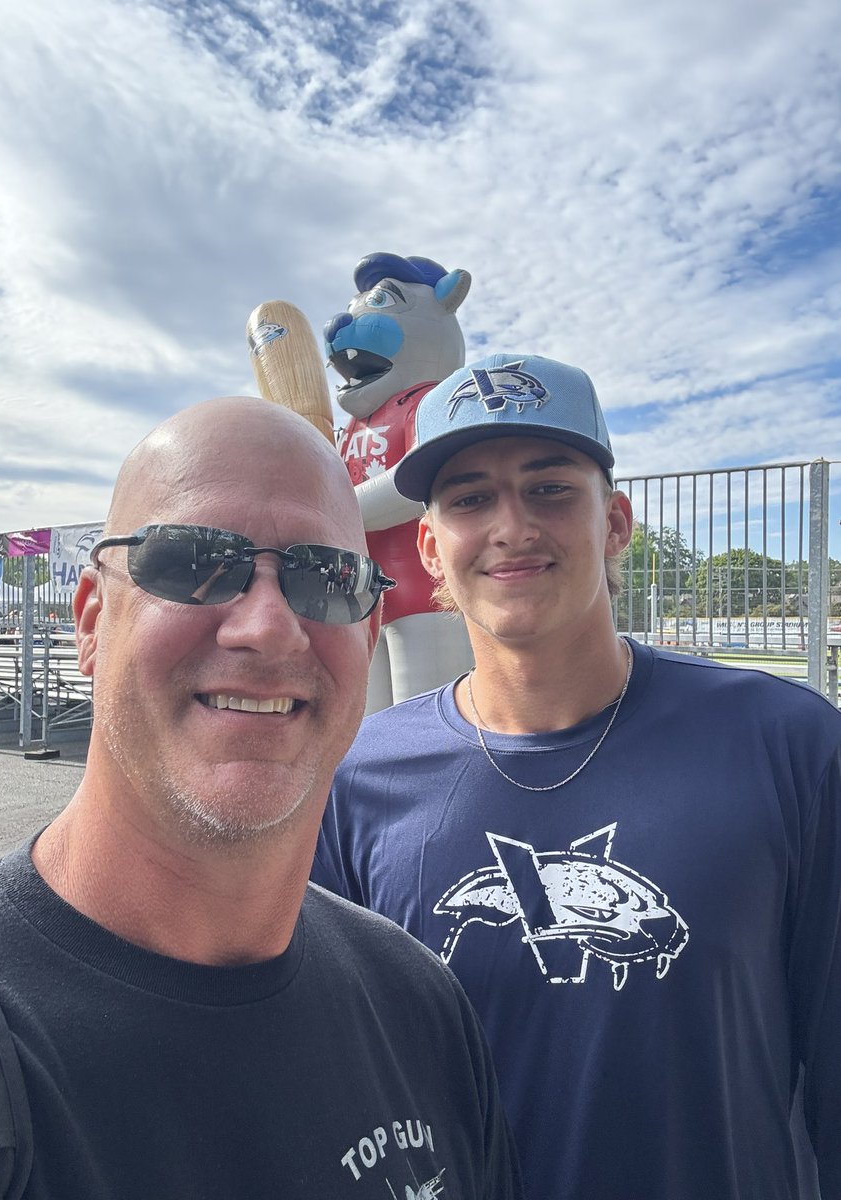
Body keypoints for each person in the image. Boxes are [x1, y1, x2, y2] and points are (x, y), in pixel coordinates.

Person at [0, 396, 522, 1200]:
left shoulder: (420, 1007)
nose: (269, 628)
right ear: (90, 619)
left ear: (366, 630)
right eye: (193, 563)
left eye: (326, 578)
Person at [314, 353, 841, 1200]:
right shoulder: (357, 781)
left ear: (616, 522)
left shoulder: (788, 745)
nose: (511, 526)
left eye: (551, 488)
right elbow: (335, 1084)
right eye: (470, 498)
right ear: (430, 547)